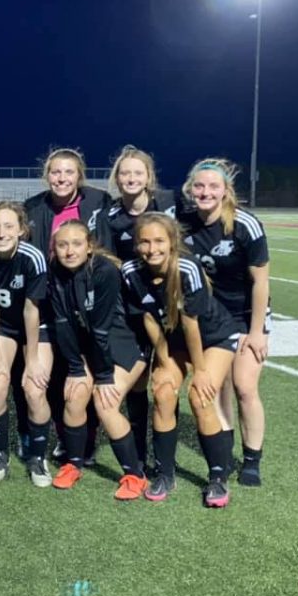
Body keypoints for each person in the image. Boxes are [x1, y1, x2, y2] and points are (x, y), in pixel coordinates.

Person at [122, 213, 240, 507]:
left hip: (213, 337)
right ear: (137, 244)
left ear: (172, 242)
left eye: (159, 241)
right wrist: (162, 361)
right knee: (162, 390)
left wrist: (199, 371)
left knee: (200, 396)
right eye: (145, 242)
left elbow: (191, 325)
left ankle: (217, 478)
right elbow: (148, 319)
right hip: (172, 342)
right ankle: (165, 473)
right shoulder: (130, 271)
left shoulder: (186, 268)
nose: (152, 248)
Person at [180, 158, 270, 486]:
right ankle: (224, 449)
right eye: (199, 186)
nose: (205, 192)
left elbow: (261, 282)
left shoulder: (245, 224)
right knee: (216, 388)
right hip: (211, 317)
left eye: (213, 186)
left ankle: (251, 459)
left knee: (245, 386)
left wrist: (257, 331)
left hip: (246, 315)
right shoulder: (183, 221)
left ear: (225, 191)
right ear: (190, 190)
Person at [24, 148, 113, 463]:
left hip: (87, 302)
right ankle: (61, 437)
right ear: (47, 176)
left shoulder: (100, 203)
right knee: (57, 375)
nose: (61, 178)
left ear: (79, 175)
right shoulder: (34, 207)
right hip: (50, 301)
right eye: (55, 172)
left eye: (68, 172)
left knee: (84, 373)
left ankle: (86, 442)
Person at [48, 220, 148, 499]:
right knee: (76, 394)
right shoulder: (55, 271)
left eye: (77, 244)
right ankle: (73, 464)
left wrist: (103, 377)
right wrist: (77, 369)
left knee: (106, 404)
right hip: (92, 345)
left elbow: (103, 327)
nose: (69, 251)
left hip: (125, 343)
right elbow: (63, 322)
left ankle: (134, 475)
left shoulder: (105, 271)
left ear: (89, 247)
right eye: (62, 245)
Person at [0, 201, 54, 485]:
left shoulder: (33, 257)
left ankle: (37, 458)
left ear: (21, 230)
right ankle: (0, 453)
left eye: (8, 226)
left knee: (34, 389)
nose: (1, 233)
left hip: (35, 327)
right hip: (2, 326)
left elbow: (32, 311)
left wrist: (31, 361)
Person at [105, 145, 177, 468]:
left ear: (149, 177)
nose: (131, 178)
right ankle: (138, 451)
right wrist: (129, 270)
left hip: (170, 307)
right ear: (117, 179)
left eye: (138, 172)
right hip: (132, 309)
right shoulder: (110, 215)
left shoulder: (169, 205)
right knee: (137, 382)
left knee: (166, 380)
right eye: (125, 173)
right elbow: (103, 255)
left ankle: (166, 458)